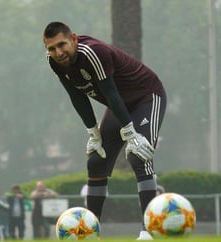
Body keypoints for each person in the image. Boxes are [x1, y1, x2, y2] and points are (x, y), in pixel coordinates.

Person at [43, 21, 167, 240]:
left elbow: (110, 92)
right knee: (96, 161)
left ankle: (148, 231)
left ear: (73, 38)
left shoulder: (92, 52)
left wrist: (130, 133)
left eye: (61, 45)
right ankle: (89, 231)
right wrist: (93, 133)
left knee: (140, 155)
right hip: (119, 104)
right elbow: (77, 96)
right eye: (51, 48)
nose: (58, 52)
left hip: (146, 96)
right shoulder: (55, 63)